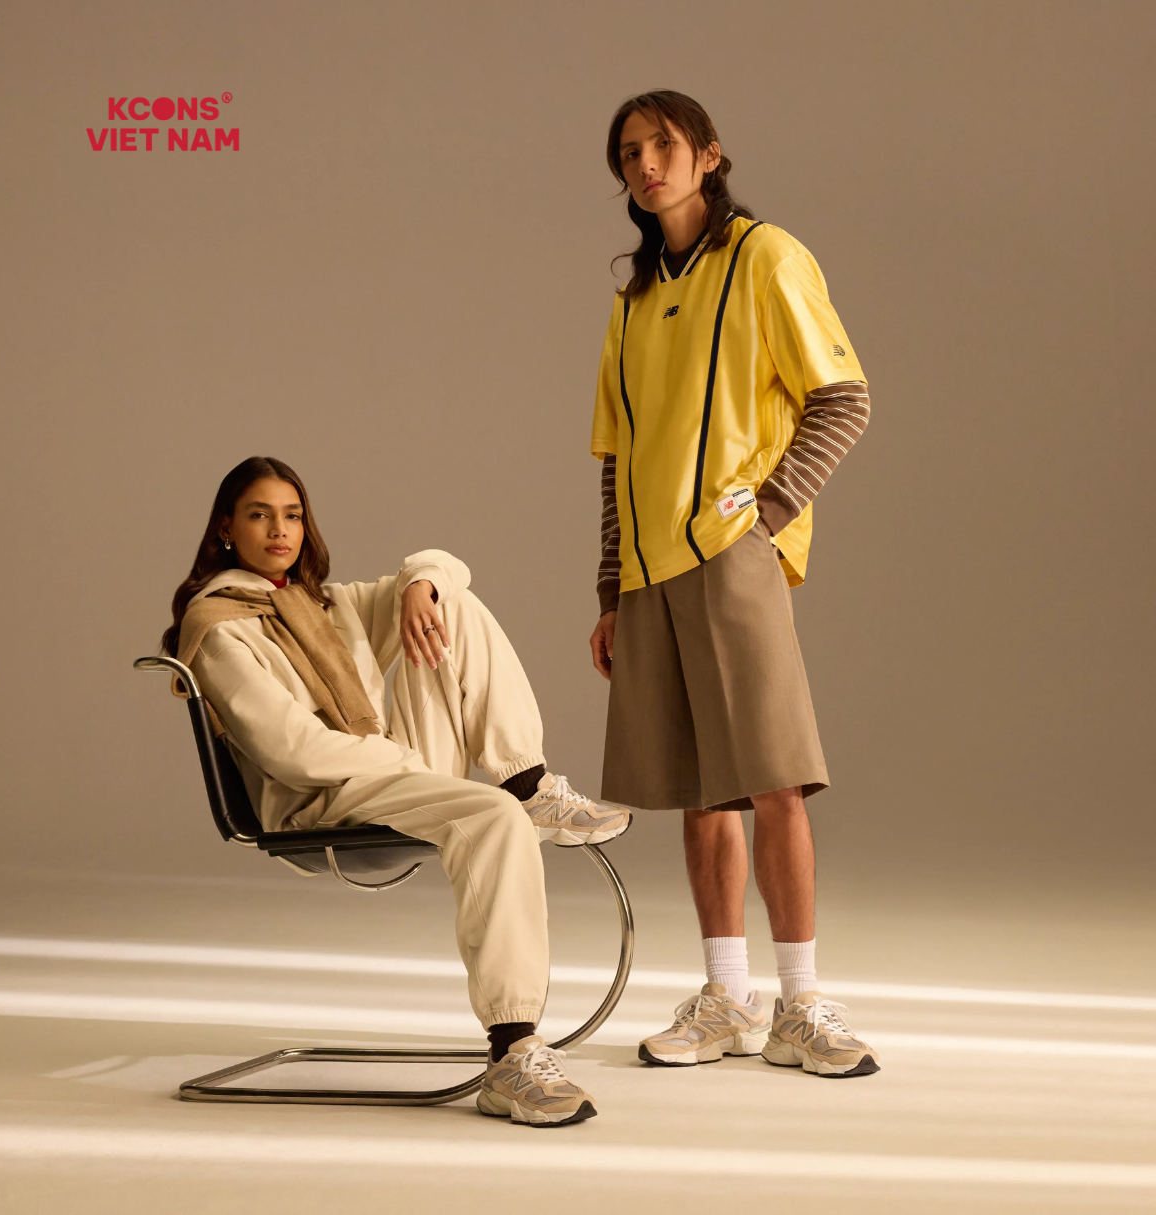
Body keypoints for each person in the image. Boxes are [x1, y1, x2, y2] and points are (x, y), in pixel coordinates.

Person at [163, 455, 629, 1123]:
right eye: (259, 515)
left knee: (448, 603)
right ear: (225, 529)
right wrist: (401, 762)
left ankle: (529, 781)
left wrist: (420, 586)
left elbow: (446, 566)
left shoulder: (323, 604)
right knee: (495, 818)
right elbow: (290, 751)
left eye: (292, 515)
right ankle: (512, 1052)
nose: (279, 530)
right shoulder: (217, 625)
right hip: (321, 798)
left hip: (386, 772)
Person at [588, 91, 880, 1077]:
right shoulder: (632, 301)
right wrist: (609, 590)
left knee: (772, 778)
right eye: (628, 152)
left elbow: (843, 397)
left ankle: (801, 1003)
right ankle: (726, 999)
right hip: (648, 575)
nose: (645, 165)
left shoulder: (766, 258)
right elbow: (616, 458)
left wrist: (768, 512)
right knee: (698, 792)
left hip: (730, 554)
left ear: (709, 154)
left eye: (662, 145)